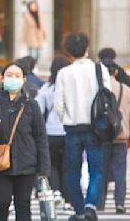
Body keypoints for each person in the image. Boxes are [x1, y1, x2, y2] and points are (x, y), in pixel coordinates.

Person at [0, 61, 50, 221]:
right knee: (1, 203)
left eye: (17, 76)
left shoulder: (31, 104)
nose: (13, 78)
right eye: (9, 75)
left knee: (23, 205)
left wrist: (43, 169)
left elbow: (41, 137)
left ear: (23, 80)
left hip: (26, 164)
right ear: (2, 79)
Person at [54, 32, 111, 221]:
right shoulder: (99, 69)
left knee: (72, 170)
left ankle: (79, 211)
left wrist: (67, 118)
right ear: (87, 48)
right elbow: (108, 97)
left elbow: (58, 105)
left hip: (72, 128)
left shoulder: (64, 73)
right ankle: (90, 205)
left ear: (69, 51)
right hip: (96, 127)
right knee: (96, 169)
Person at [36, 56, 72, 211]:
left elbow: (39, 110)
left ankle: (56, 191)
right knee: (68, 165)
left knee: (53, 164)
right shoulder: (72, 88)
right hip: (70, 130)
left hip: (50, 132)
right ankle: (68, 198)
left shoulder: (46, 88)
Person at [97, 59, 130, 214]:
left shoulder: (98, 90)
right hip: (121, 135)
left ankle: (100, 202)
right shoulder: (126, 89)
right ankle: (120, 203)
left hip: (103, 135)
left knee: (101, 169)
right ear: (116, 72)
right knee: (120, 171)